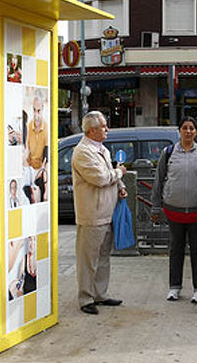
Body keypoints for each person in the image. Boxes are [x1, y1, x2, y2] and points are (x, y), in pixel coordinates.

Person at [150, 117, 197, 304]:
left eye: (192, 128)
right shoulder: (169, 153)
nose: (188, 131)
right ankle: (174, 288)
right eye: (185, 128)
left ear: (196, 132)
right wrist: (156, 205)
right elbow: (159, 180)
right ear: (179, 131)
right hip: (174, 211)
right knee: (176, 249)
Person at [71, 111, 127, 315]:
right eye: (104, 126)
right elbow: (102, 178)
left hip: (107, 211)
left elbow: (109, 172)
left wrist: (120, 185)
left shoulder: (101, 149)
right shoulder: (83, 152)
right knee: (88, 259)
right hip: (92, 214)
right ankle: (86, 298)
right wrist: (119, 173)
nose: (107, 129)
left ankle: (100, 293)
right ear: (92, 130)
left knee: (103, 257)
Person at [26, 95, 48, 170]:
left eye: (38, 110)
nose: (36, 114)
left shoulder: (46, 127)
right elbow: (26, 150)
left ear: (42, 109)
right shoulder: (29, 126)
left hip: (42, 168)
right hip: (29, 167)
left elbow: (47, 153)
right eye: (34, 110)